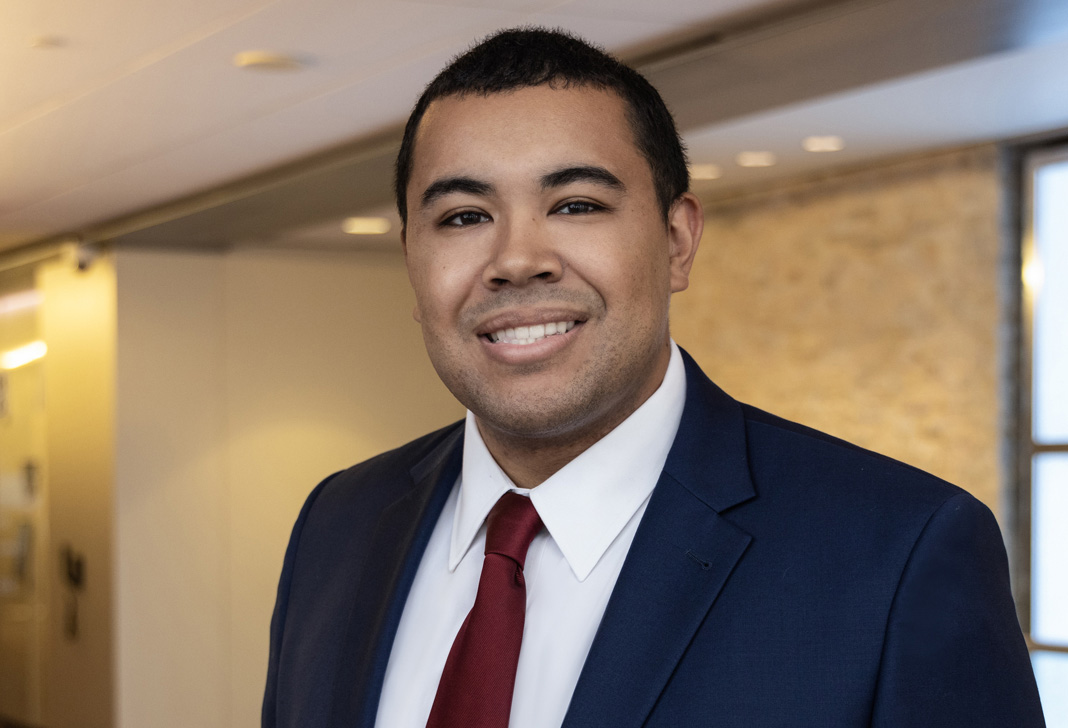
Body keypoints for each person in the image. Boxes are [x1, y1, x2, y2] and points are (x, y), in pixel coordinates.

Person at [262, 27, 1045, 728]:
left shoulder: (897, 555)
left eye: (576, 205)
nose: (516, 260)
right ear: (411, 260)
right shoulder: (339, 523)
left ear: (677, 241)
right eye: (464, 217)